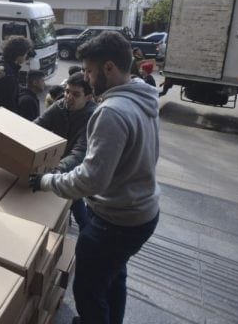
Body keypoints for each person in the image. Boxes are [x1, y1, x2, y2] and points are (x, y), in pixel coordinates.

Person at [29, 31, 160, 324]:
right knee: (113, 277)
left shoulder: (111, 111)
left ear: (109, 68)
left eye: (89, 71)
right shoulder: (143, 94)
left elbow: (91, 180)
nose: (85, 77)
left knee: (88, 289)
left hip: (117, 221)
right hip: (143, 210)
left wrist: (45, 181)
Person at [33, 72, 97, 228]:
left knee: (77, 200)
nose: (69, 97)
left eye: (76, 94)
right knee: (73, 200)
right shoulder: (59, 105)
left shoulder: (94, 117)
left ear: (88, 97)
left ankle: (86, 231)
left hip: (77, 168)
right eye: (67, 91)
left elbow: (79, 153)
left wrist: (56, 169)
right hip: (58, 164)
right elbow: (36, 126)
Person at [0, 36, 33, 114]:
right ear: (18, 55)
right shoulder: (7, 74)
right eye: (25, 54)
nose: (26, 57)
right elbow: (8, 105)